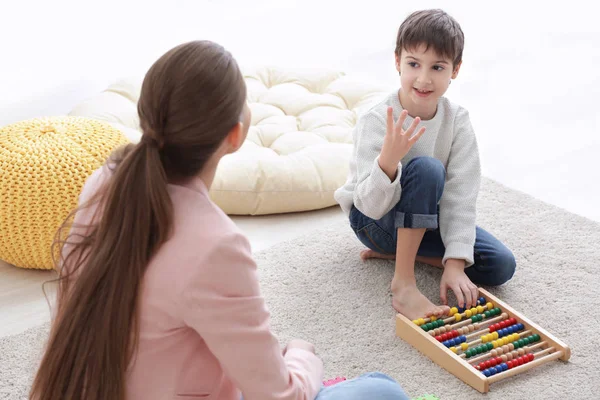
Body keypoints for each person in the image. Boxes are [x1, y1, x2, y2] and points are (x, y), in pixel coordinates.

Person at [29, 40, 408, 400]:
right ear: (235, 134)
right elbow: (278, 395)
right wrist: (303, 356)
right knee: (382, 389)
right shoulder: (216, 245)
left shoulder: (105, 181)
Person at [334, 9, 516, 320]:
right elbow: (368, 206)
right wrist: (388, 162)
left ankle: (398, 254)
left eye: (437, 67)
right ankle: (403, 282)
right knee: (428, 169)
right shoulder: (377, 119)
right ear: (397, 62)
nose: (423, 78)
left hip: (424, 220)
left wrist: (456, 264)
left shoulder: (457, 121)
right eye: (413, 64)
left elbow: (460, 195)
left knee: (500, 264)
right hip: (375, 221)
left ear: (455, 70)